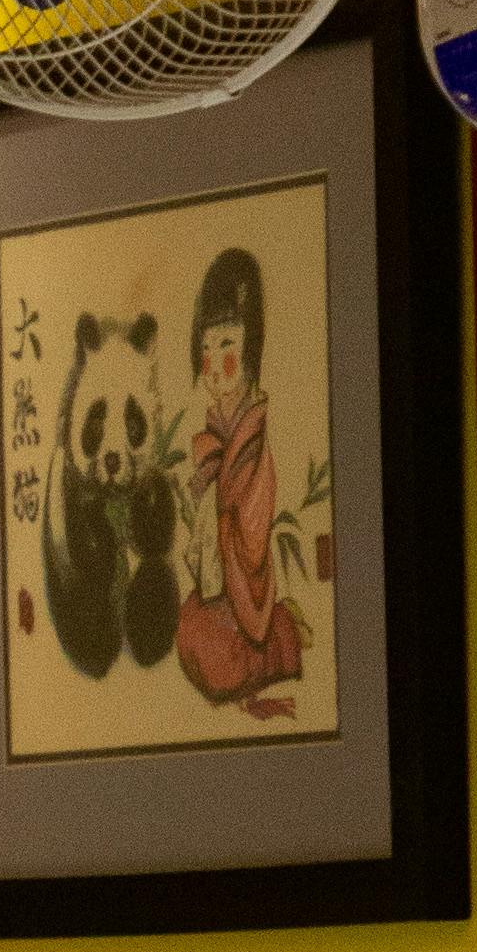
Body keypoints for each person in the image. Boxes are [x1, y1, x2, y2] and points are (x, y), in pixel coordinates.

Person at [174, 243, 312, 717]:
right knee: (189, 635)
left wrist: (218, 524)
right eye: (206, 349)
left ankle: (282, 635)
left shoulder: (253, 434)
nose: (214, 364)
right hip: (221, 584)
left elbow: (253, 529)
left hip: (242, 588)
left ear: (250, 348)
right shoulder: (218, 429)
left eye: (227, 345)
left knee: (216, 663)